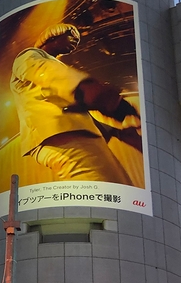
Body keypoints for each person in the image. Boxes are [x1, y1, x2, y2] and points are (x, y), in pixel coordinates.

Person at [10, 23, 138, 184]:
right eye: (72, 35)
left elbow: (71, 109)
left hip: (74, 137)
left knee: (117, 188)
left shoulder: (56, 67)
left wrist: (115, 131)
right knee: (103, 192)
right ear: (53, 36)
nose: (76, 41)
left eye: (77, 40)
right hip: (62, 138)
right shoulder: (29, 55)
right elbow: (47, 72)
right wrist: (87, 89)